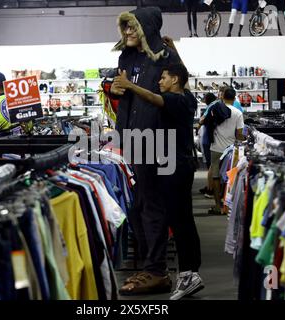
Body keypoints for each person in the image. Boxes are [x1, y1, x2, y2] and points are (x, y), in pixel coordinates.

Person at [114, 63, 205, 300]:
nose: (160, 81)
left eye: (164, 77)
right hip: (178, 165)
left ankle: (189, 275)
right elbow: (183, 78)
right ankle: (190, 273)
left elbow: (154, 98)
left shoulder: (176, 101)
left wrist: (129, 85)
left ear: (174, 80)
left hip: (174, 167)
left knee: (179, 220)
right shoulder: (187, 97)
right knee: (183, 219)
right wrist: (176, 55)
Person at [111, 7, 181, 295]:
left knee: (151, 207)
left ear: (146, 28)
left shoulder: (166, 57)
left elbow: (177, 96)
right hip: (133, 140)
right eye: (125, 28)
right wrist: (114, 90)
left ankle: (156, 271)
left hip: (158, 141)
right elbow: (124, 91)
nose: (127, 32)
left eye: (133, 28)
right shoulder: (126, 56)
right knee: (137, 207)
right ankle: (149, 266)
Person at [208, 87, 245, 215]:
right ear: (234, 98)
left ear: (222, 97)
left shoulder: (215, 109)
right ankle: (228, 206)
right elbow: (239, 134)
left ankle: (218, 206)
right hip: (231, 151)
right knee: (230, 178)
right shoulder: (238, 113)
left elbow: (207, 124)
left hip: (216, 148)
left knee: (216, 177)